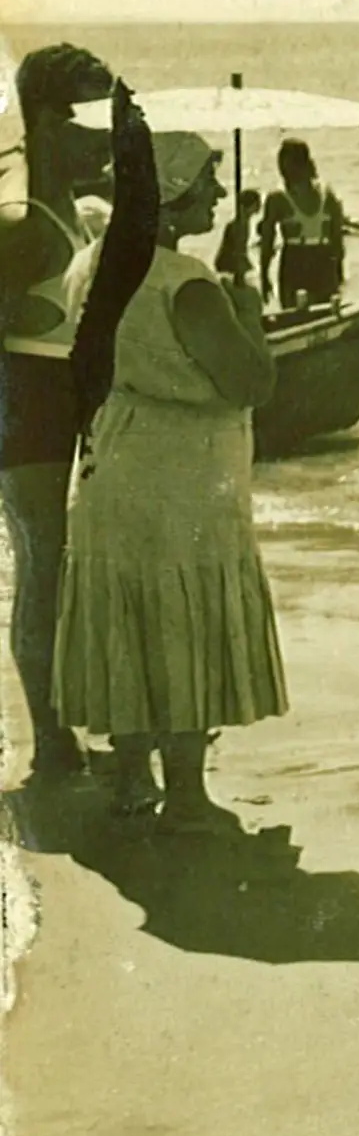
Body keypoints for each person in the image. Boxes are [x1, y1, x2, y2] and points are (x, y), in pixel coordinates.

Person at [55, 102, 288, 831]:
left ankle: (130, 776)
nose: (221, 196)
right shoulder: (184, 281)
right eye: (209, 184)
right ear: (173, 194)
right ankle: (185, 793)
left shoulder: (89, 262)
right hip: (181, 479)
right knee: (181, 618)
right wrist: (246, 312)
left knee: (129, 616)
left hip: (109, 464)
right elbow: (249, 383)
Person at [0, 42, 116, 785]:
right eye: (92, 118)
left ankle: (64, 722)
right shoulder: (18, 221)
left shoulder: (68, 210)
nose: (105, 136)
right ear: (47, 116)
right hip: (25, 404)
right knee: (43, 566)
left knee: (62, 566)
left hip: (59, 399)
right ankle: (48, 738)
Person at [257, 137, 346, 308]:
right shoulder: (280, 198)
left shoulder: (324, 195)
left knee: (304, 314)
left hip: (301, 260)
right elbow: (337, 239)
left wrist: (264, 276)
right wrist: (339, 270)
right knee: (317, 312)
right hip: (314, 258)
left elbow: (267, 243)